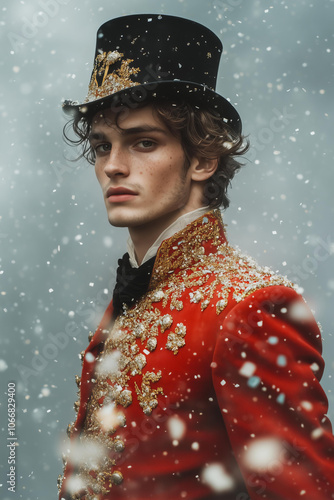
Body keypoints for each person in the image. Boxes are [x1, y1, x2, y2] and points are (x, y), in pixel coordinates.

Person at [58, 14, 334, 500]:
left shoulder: (251, 306)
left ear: (205, 158)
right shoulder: (137, 288)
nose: (113, 166)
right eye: (102, 146)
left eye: (144, 142)